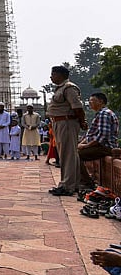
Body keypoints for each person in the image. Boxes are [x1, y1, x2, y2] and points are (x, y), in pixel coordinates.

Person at [48, 65, 89, 197]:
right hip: (60, 122)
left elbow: (77, 107)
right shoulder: (61, 88)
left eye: (53, 74)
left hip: (67, 122)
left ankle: (67, 185)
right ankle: (73, 184)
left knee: (68, 154)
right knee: (68, 154)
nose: (51, 77)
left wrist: (82, 121)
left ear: (60, 75)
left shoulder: (69, 88)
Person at [78, 92, 118, 186]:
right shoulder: (100, 114)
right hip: (100, 146)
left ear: (101, 101)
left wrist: (85, 146)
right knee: (73, 152)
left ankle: (86, 181)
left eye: (92, 101)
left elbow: (102, 137)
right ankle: (82, 179)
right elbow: (90, 135)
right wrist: (81, 144)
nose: (90, 103)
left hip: (105, 147)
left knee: (76, 156)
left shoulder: (104, 114)